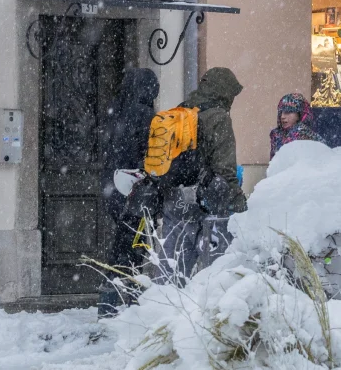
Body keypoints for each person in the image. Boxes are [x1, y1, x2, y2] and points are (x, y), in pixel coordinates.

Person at [160, 67, 247, 282]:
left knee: (171, 270)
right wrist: (239, 206)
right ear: (224, 91)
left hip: (175, 199)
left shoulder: (181, 111)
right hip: (205, 201)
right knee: (215, 273)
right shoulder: (218, 117)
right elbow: (224, 170)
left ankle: (161, 310)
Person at [99, 68, 159, 315]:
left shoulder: (116, 112)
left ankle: (112, 298)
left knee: (123, 242)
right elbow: (150, 153)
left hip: (112, 186)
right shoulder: (145, 115)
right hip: (134, 190)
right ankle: (122, 301)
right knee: (134, 244)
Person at [270, 92, 325, 159]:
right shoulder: (277, 135)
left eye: (288, 112)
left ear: (299, 114)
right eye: (281, 112)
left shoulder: (308, 136)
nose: (282, 116)